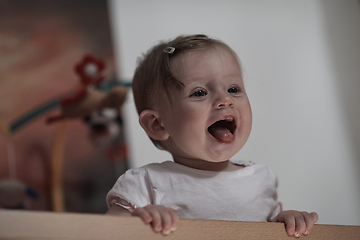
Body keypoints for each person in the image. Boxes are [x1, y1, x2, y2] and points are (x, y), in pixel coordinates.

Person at [106, 34, 318, 237]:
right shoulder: (145, 182)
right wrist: (136, 222)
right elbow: (104, 231)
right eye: (199, 92)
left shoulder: (260, 179)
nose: (225, 99)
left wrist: (287, 222)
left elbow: (269, 230)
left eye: (233, 88)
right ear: (157, 124)